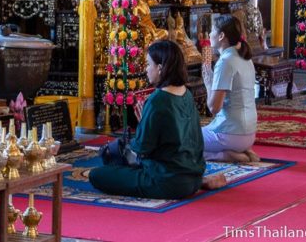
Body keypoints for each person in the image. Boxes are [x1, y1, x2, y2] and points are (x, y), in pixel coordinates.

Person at [89, 40, 222, 199]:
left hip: (165, 182)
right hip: (193, 177)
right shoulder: (186, 94)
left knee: (97, 174)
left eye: (148, 64)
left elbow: (142, 147)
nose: (146, 70)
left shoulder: (158, 100)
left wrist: (141, 125)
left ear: (160, 68)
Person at [201, 14, 259, 162]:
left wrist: (208, 83)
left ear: (221, 36)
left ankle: (225, 155)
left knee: (184, 140)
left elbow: (214, 108)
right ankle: (242, 151)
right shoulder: (246, 58)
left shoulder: (225, 61)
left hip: (231, 134)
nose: (209, 34)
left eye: (212, 30)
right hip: (249, 134)